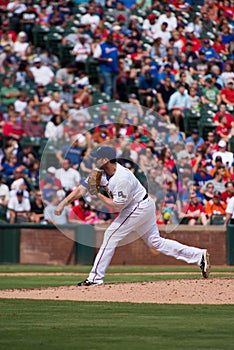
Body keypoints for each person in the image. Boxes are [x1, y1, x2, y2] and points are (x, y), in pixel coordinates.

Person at [54, 146, 211, 286]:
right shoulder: (99, 173)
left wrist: (98, 195)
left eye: (98, 157)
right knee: (155, 242)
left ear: (106, 160)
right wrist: (63, 203)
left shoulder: (122, 178)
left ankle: (95, 278)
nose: (95, 160)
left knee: (110, 234)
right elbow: (81, 189)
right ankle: (198, 256)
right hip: (142, 205)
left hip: (138, 207)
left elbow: (117, 205)